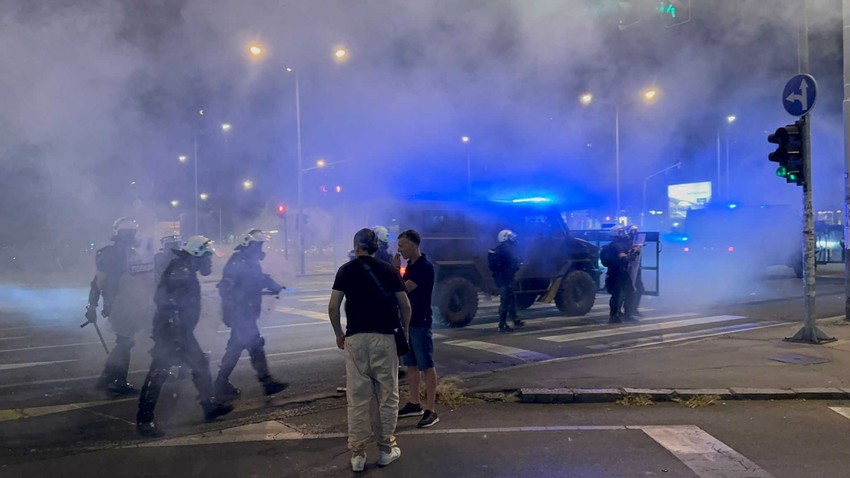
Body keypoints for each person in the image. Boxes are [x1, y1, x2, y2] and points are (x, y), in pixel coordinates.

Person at [328, 228, 412, 472]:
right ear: (376, 247)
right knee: (388, 396)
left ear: (356, 247)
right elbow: (405, 305)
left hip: (355, 339)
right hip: (384, 338)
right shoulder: (388, 270)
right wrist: (404, 331)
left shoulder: (345, 270)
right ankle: (386, 449)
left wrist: (338, 334)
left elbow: (333, 307)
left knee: (357, 399)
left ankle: (357, 454)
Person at [136, 235, 233, 437]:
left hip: (181, 332)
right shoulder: (181, 270)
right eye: (207, 256)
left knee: (200, 365)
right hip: (172, 332)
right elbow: (166, 301)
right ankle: (144, 421)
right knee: (158, 373)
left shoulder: (185, 268)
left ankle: (210, 406)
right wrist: (176, 332)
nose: (209, 261)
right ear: (197, 254)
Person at [85, 217, 155, 396]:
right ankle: (117, 381)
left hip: (129, 304)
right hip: (119, 305)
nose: (132, 235)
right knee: (125, 343)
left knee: (124, 342)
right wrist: (92, 306)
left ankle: (107, 377)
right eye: (130, 232)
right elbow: (98, 282)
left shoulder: (130, 253)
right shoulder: (111, 254)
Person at [215, 229, 287, 401]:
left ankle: (220, 384)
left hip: (244, 313)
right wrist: (232, 312)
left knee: (235, 349)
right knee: (255, 347)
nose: (260, 249)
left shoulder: (248, 261)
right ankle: (266, 382)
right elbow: (227, 289)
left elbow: (257, 278)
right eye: (258, 245)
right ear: (249, 245)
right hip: (241, 314)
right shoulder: (238, 261)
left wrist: (273, 284)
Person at [394, 230, 439, 428]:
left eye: (402, 246)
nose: (400, 250)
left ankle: (431, 410)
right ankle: (415, 403)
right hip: (408, 322)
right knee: (411, 365)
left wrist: (396, 270)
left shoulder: (424, 267)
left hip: (420, 321)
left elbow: (403, 289)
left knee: (427, 366)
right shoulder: (412, 265)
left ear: (413, 245)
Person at [488, 229, 524, 332]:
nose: (513, 238)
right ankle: (502, 324)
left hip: (501, 278)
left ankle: (515, 319)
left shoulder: (500, 249)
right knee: (505, 300)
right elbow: (515, 263)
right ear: (505, 238)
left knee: (511, 298)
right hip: (505, 279)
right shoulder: (508, 250)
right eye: (510, 237)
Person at [600, 225, 636, 324]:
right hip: (617, 272)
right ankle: (616, 316)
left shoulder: (611, 245)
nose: (623, 234)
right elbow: (623, 258)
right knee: (620, 294)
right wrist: (634, 254)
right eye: (621, 232)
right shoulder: (616, 246)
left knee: (625, 292)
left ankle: (620, 314)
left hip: (615, 272)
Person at [624, 224, 645, 319]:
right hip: (628, 269)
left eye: (635, 231)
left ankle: (633, 309)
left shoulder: (636, 242)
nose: (634, 233)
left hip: (636, 269)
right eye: (633, 231)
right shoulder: (625, 243)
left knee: (639, 289)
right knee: (627, 291)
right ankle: (626, 311)